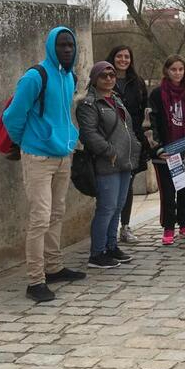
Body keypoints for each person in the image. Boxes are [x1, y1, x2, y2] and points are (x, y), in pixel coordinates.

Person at [2, 27, 86, 303]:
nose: (67, 50)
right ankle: (35, 280)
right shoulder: (35, 76)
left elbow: (64, 114)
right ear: (52, 47)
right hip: (37, 156)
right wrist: (25, 141)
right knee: (40, 217)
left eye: (70, 46)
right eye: (62, 45)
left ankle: (54, 267)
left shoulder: (69, 77)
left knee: (57, 213)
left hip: (63, 155)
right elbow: (12, 116)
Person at [76, 62, 141, 269]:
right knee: (106, 207)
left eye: (112, 75)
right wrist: (108, 151)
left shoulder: (115, 100)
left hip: (125, 161)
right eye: (104, 76)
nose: (109, 79)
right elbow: (89, 133)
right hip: (107, 163)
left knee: (118, 206)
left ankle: (111, 246)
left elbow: (127, 128)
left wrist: (136, 146)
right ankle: (97, 253)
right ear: (95, 79)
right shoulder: (89, 104)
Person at [149, 55, 185, 246]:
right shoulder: (157, 94)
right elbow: (151, 123)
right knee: (168, 190)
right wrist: (156, 147)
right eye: (174, 69)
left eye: (181, 69)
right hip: (167, 150)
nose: (178, 73)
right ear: (166, 71)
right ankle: (168, 226)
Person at [106, 45, 149, 245]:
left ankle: (125, 226)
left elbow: (142, 111)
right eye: (119, 56)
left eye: (127, 57)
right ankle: (108, 229)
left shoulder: (137, 82)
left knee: (128, 186)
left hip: (133, 139)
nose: (123, 60)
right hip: (111, 140)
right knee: (110, 187)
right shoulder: (103, 79)